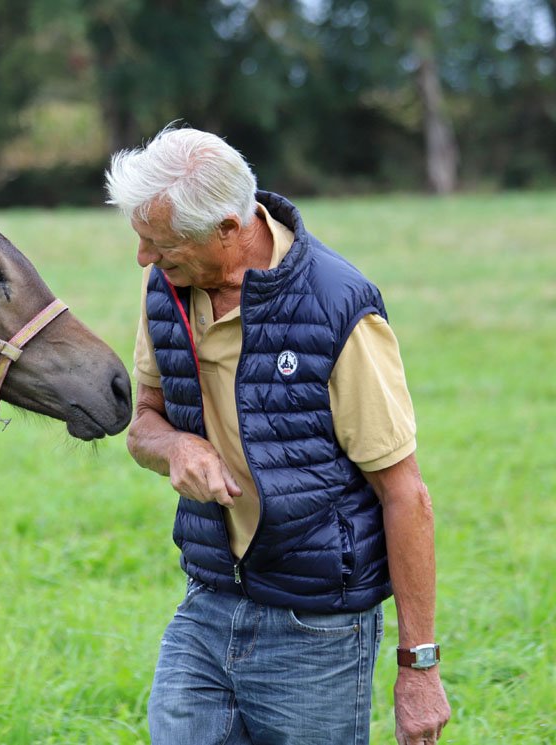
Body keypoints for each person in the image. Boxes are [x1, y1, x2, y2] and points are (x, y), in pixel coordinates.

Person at [107, 124, 451, 745]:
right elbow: (144, 423)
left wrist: (419, 668)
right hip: (208, 601)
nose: (144, 258)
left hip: (317, 627)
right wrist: (177, 445)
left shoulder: (338, 307)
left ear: (228, 229)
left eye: (161, 243)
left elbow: (405, 494)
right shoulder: (168, 287)